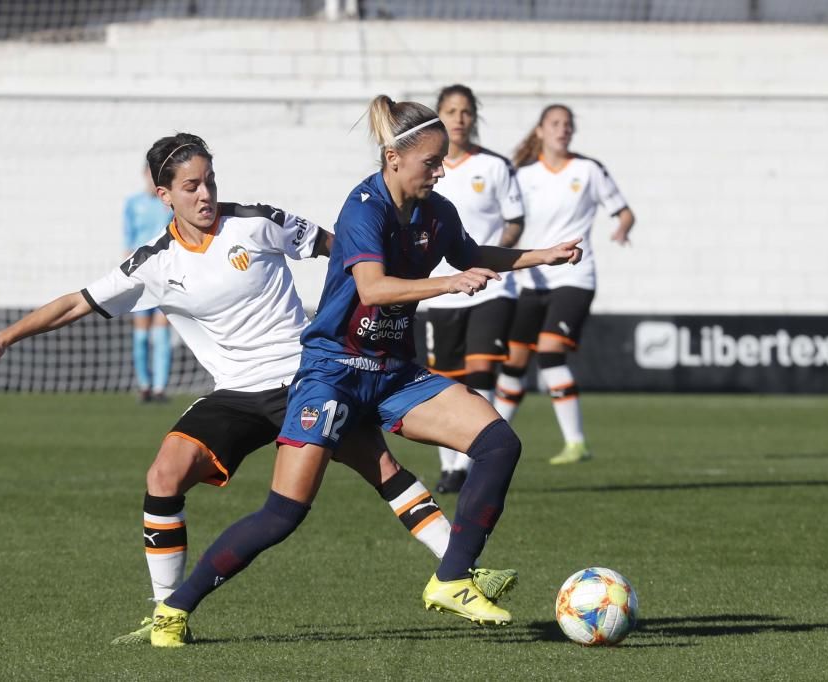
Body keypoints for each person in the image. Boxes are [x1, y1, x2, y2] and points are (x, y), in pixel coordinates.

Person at [0, 133, 516, 647]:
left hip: (308, 376)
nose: (206, 194)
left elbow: (343, 248)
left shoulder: (258, 222)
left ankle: (460, 572)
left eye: (210, 181)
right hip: (237, 394)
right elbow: (76, 301)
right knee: (164, 474)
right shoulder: (154, 263)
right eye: (191, 186)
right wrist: (3, 338)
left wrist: (380, 300)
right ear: (164, 195)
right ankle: (165, 611)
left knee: (382, 469)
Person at [149, 98, 582, 647]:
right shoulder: (363, 208)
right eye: (431, 161)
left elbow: (472, 252)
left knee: (499, 443)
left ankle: (452, 579)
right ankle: (174, 609)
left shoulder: (436, 211)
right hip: (332, 374)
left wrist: (540, 255)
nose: (440, 170)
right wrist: (447, 284)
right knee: (283, 513)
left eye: (442, 160)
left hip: (392, 372)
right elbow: (373, 288)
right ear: (393, 157)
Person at [496, 104, 635, 465]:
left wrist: (621, 227)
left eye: (567, 124)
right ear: (540, 131)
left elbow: (624, 211)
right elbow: (507, 221)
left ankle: (576, 443)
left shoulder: (588, 170)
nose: (563, 129)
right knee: (513, 361)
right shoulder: (522, 176)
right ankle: (491, 437)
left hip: (574, 275)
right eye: (555, 124)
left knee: (549, 351)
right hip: (532, 279)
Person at [424, 84, 525, 494]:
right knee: (446, 379)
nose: (459, 118)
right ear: (438, 116)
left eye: (466, 111)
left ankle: (472, 460)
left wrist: (492, 254)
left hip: (491, 288)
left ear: (474, 116)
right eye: (451, 110)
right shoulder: (426, 167)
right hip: (441, 289)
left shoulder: (496, 166)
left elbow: (515, 219)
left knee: (482, 372)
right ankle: (450, 466)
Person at [123, 166, 174, 402]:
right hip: (141, 275)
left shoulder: (169, 205)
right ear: (145, 175)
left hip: (165, 275)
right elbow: (128, 240)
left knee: (161, 333)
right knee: (141, 335)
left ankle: (159, 388)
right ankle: (144, 385)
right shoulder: (133, 204)